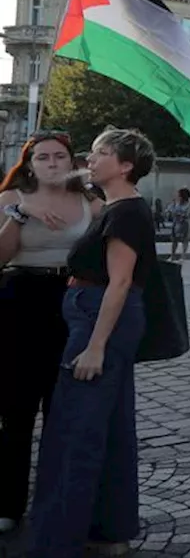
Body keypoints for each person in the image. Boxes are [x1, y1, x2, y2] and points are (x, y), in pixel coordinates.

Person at [27, 128, 157, 558]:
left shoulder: (127, 213)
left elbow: (120, 282)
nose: (92, 157)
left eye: (102, 152)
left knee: (72, 432)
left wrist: (97, 345)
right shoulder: (116, 206)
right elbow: (71, 180)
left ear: (125, 165)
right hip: (98, 313)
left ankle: (55, 540)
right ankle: (108, 529)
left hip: (99, 319)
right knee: (113, 429)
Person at [0, 131, 101, 535]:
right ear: (29, 163)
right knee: (16, 406)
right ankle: (8, 502)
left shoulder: (88, 200)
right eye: (43, 157)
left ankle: (59, 497)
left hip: (72, 300)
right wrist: (21, 216)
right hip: (19, 299)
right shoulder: (10, 200)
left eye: (60, 156)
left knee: (64, 406)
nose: (52, 163)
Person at [166, 187, 190, 262]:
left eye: (179, 195)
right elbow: (169, 209)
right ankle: (172, 255)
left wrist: (177, 213)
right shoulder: (176, 202)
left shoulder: (189, 204)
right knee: (174, 240)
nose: (178, 196)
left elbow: (187, 214)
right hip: (176, 222)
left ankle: (183, 256)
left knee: (185, 240)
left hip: (185, 223)